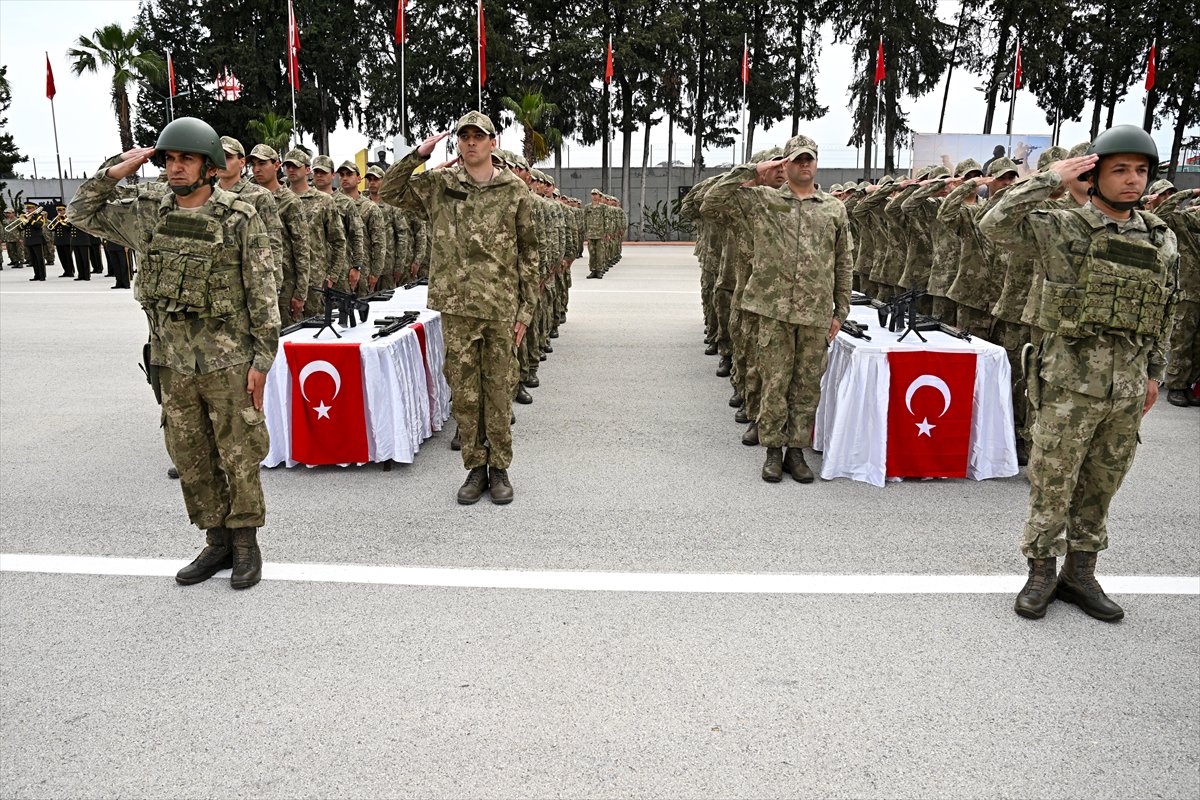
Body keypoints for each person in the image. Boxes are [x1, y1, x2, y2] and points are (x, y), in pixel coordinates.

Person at [68, 116, 281, 590]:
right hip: (171, 362)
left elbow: (265, 293)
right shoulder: (148, 212)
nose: (175, 167)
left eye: (186, 158)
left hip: (227, 363)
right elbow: (80, 212)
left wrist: (262, 362)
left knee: (238, 452)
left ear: (209, 166)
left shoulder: (240, 217)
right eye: (169, 158)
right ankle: (216, 540)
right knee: (190, 455)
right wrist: (118, 169)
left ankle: (246, 543)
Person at [979, 125, 1178, 622]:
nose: (1133, 180)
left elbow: (1164, 308)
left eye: (1140, 171)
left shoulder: (1159, 236)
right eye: (1120, 170)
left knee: (1102, 482)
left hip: (1128, 387)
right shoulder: (1062, 226)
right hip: (1069, 384)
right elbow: (994, 224)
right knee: (1053, 481)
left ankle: (1081, 573)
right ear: (1093, 175)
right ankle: (1041, 571)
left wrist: (1154, 373)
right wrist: (1048, 176)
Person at [380, 111, 539, 505]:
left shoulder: (513, 190)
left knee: (499, 389)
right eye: (464, 136)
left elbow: (530, 254)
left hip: (500, 307)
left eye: (478, 136)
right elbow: (388, 192)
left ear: (492, 142)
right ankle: (474, 467)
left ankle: (499, 467)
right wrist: (418, 155)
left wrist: (526, 311)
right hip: (456, 307)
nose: (471, 143)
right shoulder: (440, 184)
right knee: (465, 393)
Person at [702, 134, 853, 483]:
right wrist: (752, 171)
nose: (804, 164)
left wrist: (839, 311)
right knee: (774, 382)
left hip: (815, 313)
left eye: (809, 158)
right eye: (796, 158)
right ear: (784, 164)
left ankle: (796, 452)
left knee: (806, 385)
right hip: (773, 311)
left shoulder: (833, 208)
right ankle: (772, 450)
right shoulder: (763, 201)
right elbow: (711, 203)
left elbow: (844, 261)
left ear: (816, 164)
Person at [247, 143, 312, 324]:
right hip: (253, 281)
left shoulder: (290, 201)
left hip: (284, 284)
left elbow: (302, 247)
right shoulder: (247, 197)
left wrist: (300, 292)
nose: (257, 169)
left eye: (262, 164)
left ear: (276, 165)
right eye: (253, 165)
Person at [19, 201, 47, 281]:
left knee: (40, 259)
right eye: (27, 208)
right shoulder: (25, 217)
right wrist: (24, 221)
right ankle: (36, 275)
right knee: (33, 259)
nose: (28, 210)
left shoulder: (39, 216)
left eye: (30, 208)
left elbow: (39, 225)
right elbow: (20, 228)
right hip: (29, 241)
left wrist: (30, 220)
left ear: (35, 208)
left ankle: (42, 276)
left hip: (37, 240)